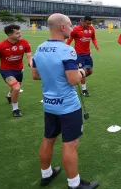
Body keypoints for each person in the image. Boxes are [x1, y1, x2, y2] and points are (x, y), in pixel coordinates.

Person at [32, 13, 99, 189]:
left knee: (49, 138)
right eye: (69, 25)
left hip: (49, 104)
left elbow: (35, 75)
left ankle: (46, 174)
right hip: (68, 106)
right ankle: (74, 184)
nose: (71, 28)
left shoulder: (39, 49)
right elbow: (74, 80)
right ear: (62, 27)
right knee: (71, 143)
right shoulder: (67, 50)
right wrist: (83, 72)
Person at [0, 24, 33, 117]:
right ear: (10, 35)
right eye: (17, 33)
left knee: (14, 87)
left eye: (20, 32)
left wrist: (30, 61)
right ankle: (15, 110)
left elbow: (29, 55)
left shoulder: (24, 43)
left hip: (19, 70)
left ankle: (9, 96)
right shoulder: (0, 46)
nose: (20, 35)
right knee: (16, 88)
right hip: (6, 71)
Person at [66, 16, 99, 97]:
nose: (89, 25)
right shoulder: (76, 29)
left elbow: (93, 38)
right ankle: (84, 90)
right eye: (87, 23)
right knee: (83, 72)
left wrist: (95, 44)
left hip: (87, 54)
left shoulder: (91, 29)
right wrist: (65, 47)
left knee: (90, 71)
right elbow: (70, 38)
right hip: (79, 54)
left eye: (90, 23)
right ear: (82, 21)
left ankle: (76, 78)